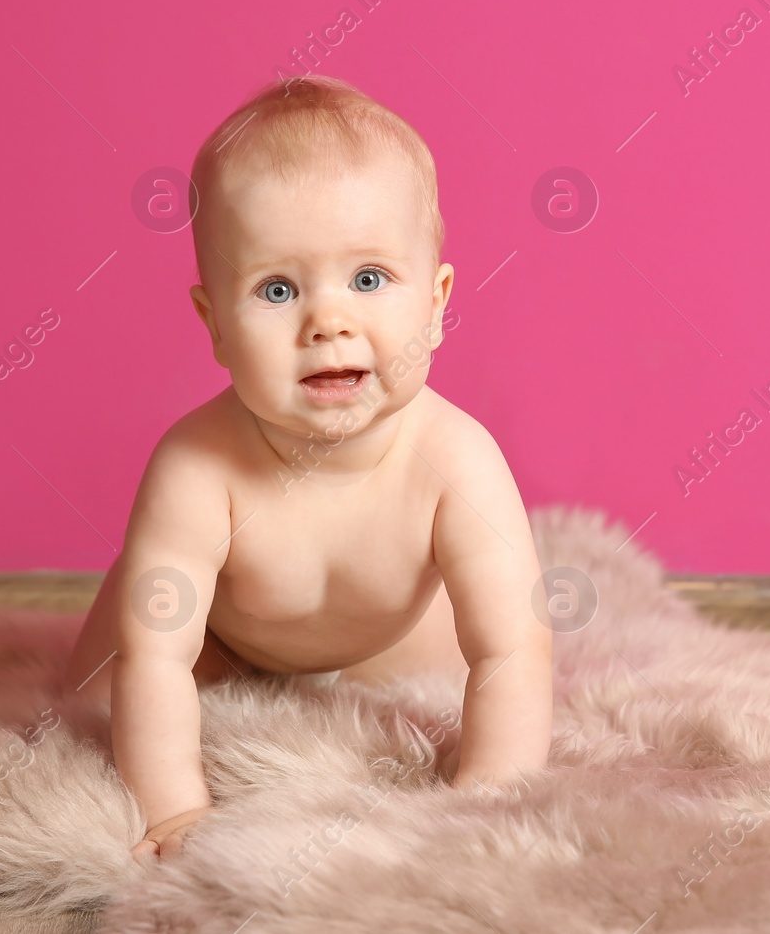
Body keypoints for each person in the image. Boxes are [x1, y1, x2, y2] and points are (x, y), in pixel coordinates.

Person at [62, 74, 552, 863]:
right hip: (223, 637)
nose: (328, 322)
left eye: (368, 279)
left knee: (464, 656)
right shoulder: (196, 465)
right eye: (278, 288)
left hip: (385, 643)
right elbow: (158, 659)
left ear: (435, 302)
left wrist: (486, 797)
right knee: (92, 692)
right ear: (214, 323)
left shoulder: (457, 459)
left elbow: (513, 649)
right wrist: (173, 809)